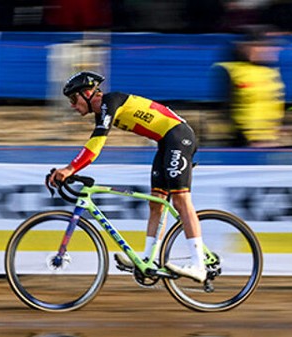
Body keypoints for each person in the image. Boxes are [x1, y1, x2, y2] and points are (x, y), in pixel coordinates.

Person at [47, 71, 209, 283]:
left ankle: (199, 265)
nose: (71, 105)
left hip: (179, 137)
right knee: (157, 204)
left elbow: (96, 146)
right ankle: (149, 259)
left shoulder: (109, 102)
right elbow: (94, 143)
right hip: (165, 143)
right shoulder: (103, 111)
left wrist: (70, 169)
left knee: (180, 199)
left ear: (87, 93)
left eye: (73, 98)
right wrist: (71, 169)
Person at [212, 28, 284, 148]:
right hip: (243, 140)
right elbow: (225, 108)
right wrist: (247, 137)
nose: (271, 50)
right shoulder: (231, 70)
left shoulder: (271, 73)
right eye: (263, 46)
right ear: (247, 48)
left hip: (268, 139)